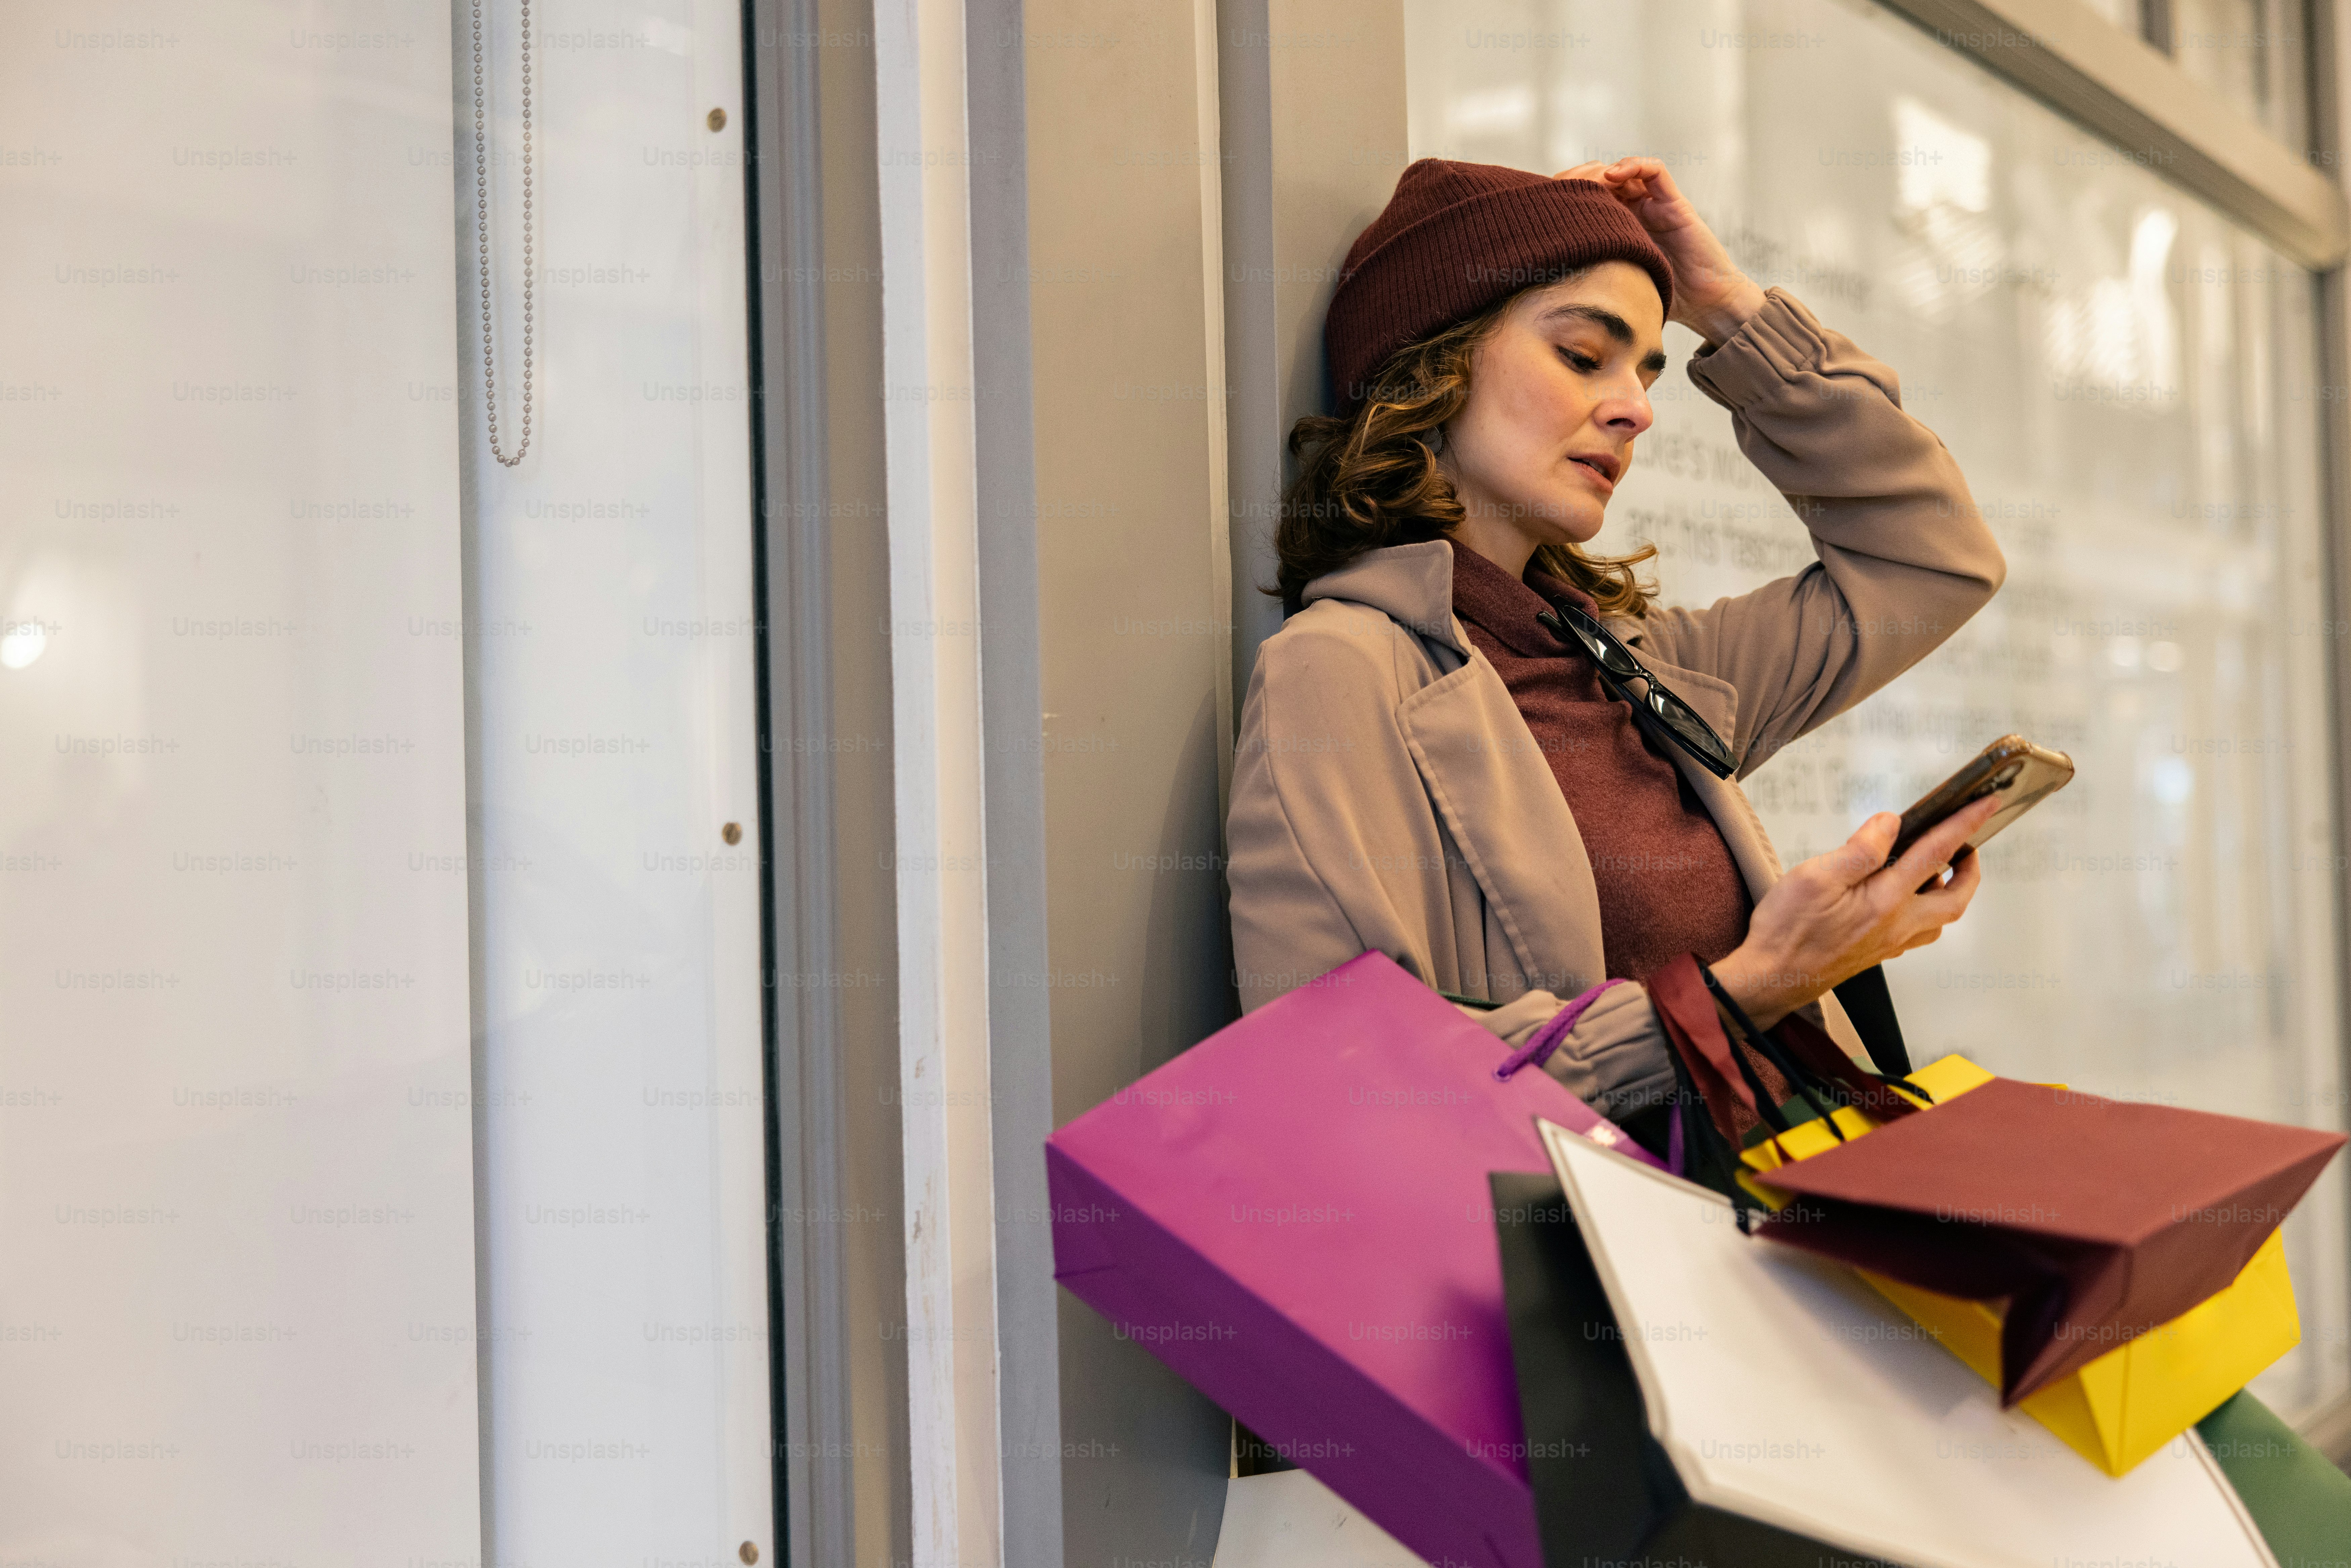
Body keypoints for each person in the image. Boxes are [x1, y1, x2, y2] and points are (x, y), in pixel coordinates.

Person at [1226, 155, 2006, 1138]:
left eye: (1646, 370)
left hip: (1757, 1253)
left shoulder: (1645, 670)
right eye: (1585, 355)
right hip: (1578, 1283)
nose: (1636, 407)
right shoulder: (1341, 671)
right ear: (1436, 361)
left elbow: (1931, 559)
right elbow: (1348, 1093)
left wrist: (1731, 311)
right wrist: (1754, 988)